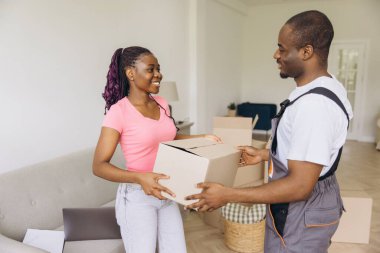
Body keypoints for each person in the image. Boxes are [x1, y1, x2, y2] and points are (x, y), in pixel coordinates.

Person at [185, 10, 353, 253]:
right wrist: (266, 155)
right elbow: (314, 151)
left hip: (300, 216)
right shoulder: (327, 86)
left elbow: (300, 186)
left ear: (306, 51)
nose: (276, 55)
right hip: (310, 204)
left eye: (282, 49)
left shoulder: (314, 107)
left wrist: (228, 195)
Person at [92, 46, 220, 253]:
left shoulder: (162, 103)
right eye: (151, 69)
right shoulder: (119, 112)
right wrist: (140, 178)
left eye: (159, 68)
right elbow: (98, 166)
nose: (158, 74)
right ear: (131, 73)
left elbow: (169, 137)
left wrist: (202, 138)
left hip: (167, 191)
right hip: (137, 197)